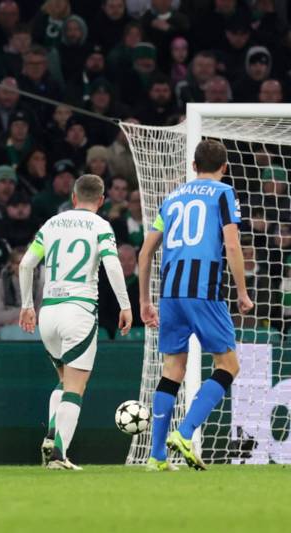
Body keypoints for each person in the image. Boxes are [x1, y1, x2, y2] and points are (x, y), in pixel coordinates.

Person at [137, 139, 253, 472]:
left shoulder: (172, 198)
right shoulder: (223, 193)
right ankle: (185, 432)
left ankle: (156, 456)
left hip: (170, 292)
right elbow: (231, 244)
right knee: (228, 365)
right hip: (204, 289)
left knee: (172, 368)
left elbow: (145, 253)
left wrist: (145, 300)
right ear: (225, 167)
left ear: (193, 166)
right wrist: (242, 292)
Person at [18, 174, 133, 470]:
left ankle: (51, 436)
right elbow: (112, 264)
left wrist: (27, 305)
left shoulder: (52, 224)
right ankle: (59, 455)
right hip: (78, 310)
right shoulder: (101, 225)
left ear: (73, 198)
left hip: (48, 312)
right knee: (75, 387)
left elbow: (26, 263)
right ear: (102, 200)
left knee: (63, 379)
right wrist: (125, 305)